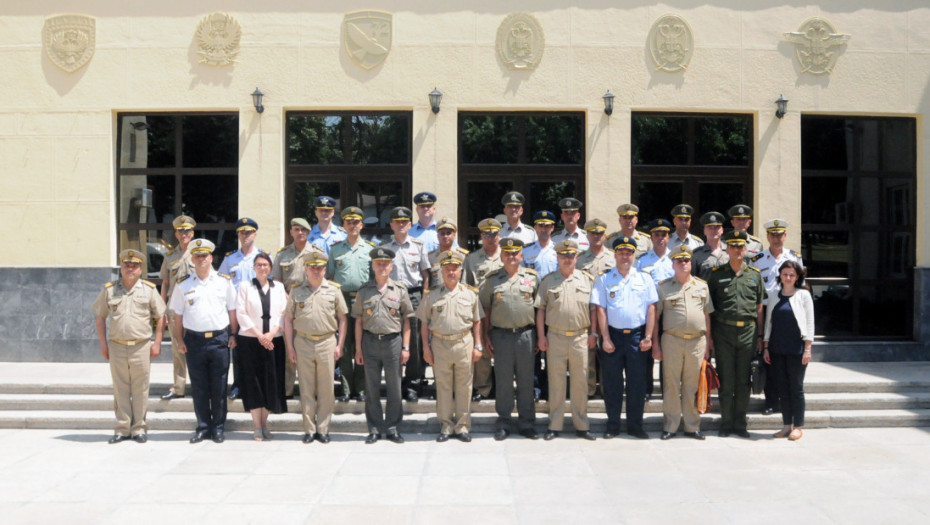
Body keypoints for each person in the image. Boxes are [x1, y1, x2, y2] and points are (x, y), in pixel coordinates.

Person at [92, 249, 166, 444]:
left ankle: (139, 428)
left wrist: (157, 342)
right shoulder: (109, 290)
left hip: (141, 346)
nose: (130, 268)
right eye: (126, 265)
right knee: (120, 388)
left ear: (141, 269)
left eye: (134, 266)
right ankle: (123, 428)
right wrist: (102, 344)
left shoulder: (149, 290)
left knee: (140, 388)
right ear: (121, 268)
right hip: (116, 346)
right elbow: (100, 318)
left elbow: (161, 318)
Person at [169, 239, 238, 444]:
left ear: (211, 258)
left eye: (205, 255)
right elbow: (178, 315)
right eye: (197, 255)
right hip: (194, 341)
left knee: (219, 386)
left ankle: (218, 428)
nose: (201, 259)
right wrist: (179, 340)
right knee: (198, 387)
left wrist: (233, 335)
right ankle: (203, 427)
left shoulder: (224, 281)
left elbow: (232, 310)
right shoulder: (183, 284)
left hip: (219, 340)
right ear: (192, 258)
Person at [592, 236, 658, 439]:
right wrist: (605, 338)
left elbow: (651, 308)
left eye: (628, 252)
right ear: (615, 254)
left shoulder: (644, 279)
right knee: (612, 384)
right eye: (621, 252)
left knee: (636, 384)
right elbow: (600, 309)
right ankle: (612, 425)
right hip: (613, 336)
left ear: (633, 255)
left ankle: (635, 425)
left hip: (637, 337)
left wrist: (648, 336)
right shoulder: (604, 278)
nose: (624, 256)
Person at [418, 249, 483, 442]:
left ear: (460, 270)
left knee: (464, 386)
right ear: (441, 271)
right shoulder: (431, 296)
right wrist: (426, 347)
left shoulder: (470, 294)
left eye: (455, 268)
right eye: (447, 268)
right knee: (444, 386)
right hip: (440, 344)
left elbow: (477, 320)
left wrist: (478, 344)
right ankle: (446, 425)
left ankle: (462, 426)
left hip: (464, 342)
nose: (451, 272)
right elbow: (424, 324)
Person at [284, 252, 348, 444]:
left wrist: (340, 344)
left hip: (327, 342)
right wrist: (290, 347)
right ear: (305, 269)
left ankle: (323, 428)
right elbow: (288, 320)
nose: (315, 271)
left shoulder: (334, 290)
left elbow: (343, 318)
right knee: (306, 387)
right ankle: (309, 429)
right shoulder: (296, 290)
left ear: (324, 269)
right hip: (302, 342)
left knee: (327, 387)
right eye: (312, 267)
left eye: (319, 267)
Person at [479, 238, 540, 440]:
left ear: (521, 255)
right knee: (504, 380)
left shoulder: (532, 277)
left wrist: (540, 336)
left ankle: (526, 422)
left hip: (526, 335)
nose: (512, 256)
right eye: (507, 253)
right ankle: (503, 421)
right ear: (502, 256)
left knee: (526, 380)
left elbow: (540, 308)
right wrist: (486, 335)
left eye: (515, 253)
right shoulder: (492, 279)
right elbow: (485, 309)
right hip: (501, 335)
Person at [706, 230, 765, 438]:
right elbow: (709, 309)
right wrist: (710, 338)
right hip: (723, 332)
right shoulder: (716, 274)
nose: (737, 250)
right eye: (733, 246)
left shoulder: (754, 276)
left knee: (743, 381)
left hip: (748, 333)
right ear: (727, 249)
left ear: (746, 249)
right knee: (726, 380)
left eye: (741, 246)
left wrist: (759, 337)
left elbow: (759, 307)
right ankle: (726, 422)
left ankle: (740, 424)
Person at [536, 240, 597, 441]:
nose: (567, 259)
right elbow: (541, 310)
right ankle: (555, 424)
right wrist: (542, 336)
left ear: (576, 257)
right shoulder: (548, 281)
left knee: (580, 382)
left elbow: (593, 309)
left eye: (571, 255)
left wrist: (593, 333)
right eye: (563, 256)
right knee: (556, 382)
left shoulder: (586, 280)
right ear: (558, 258)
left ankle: (582, 425)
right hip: (555, 337)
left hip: (580, 336)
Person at [353, 247, 414, 444]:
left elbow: (406, 321)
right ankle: (374, 428)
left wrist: (406, 347)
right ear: (372, 266)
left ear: (391, 266)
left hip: (393, 343)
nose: (382, 266)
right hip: (370, 343)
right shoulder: (364, 291)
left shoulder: (400, 290)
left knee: (395, 388)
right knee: (371, 389)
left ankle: (393, 428)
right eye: (378, 263)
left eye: (385, 263)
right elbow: (359, 322)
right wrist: (358, 349)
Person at [652, 245, 713, 440]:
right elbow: (656, 316)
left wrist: (708, 342)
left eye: (686, 260)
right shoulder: (663, 286)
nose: (683, 263)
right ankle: (670, 426)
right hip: (672, 340)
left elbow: (707, 315)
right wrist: (655, 343)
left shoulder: (702, 286)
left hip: (697, 341)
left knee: (691, 385)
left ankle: (692, 426)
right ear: (673, 264)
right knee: (671, 385)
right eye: (679, 260)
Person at [751, 218, 805, 415]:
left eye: (779, 234)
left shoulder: (794, 258)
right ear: (767, 236)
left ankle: (787, 400)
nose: (776, 238)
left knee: (788, 357)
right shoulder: (758, 259)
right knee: (769, 358)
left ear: (785, 236)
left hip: (789, 309)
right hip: (765, 310)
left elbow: (801, 285)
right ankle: (771, 401)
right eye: (772, 234)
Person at [235, 252, 288, 441]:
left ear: (271, 267)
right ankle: (257, 426)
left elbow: (284, 312)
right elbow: (241, 312)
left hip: (274, 340)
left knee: (270, 382)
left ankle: (265, 424)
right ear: (254, 267)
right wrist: (259, 335)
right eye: (259, 265)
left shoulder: (279, 287)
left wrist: (272, 334)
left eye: (265, 265)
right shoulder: (245, 287)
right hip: (250, 341)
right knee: (253, 383)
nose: (262, 268)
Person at [273, 217, 326, 398]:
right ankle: (287, 391)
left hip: (311, 306)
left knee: (311, 350)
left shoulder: (316, 253)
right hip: (288, 307)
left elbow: (322, 279)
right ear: (291, 232)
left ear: (308, 233)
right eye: (296, 229)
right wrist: (289, 299)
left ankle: (311, 391)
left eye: (304, 230)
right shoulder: (282, 254)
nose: (300, 233)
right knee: (290, 350)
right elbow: (277, 282)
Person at [326, 207, 374, 403]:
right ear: (343, 226)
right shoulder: (336, 249)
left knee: (362, 344)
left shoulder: (370, 249)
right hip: (342, 299)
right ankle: (346, 388)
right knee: (344, 345)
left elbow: (374, 276)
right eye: (349, 222)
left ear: (361, 225)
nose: (353, 225)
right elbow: (329, 276)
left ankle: (361, 389)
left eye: (356, 222)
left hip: (363, 299)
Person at [383, 206, 431, 402]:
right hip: (391, 295)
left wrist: (425, 297)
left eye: (405, 222)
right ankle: (394, 382)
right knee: (392, 338)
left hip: (413, 295)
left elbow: (426, 274)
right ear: (391, 225)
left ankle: (413, 383)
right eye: (397, 222)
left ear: (410, 225)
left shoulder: (418, 246)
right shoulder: (386, 248)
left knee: (415, 341)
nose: (401, 225)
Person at [763, 260, 814, 441]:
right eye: (785, 274)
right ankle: (786, 426)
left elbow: (809, 322)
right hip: (777, 348)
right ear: (780, 276)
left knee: (796, 387)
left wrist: (808, 348)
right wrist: (766, 346)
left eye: (792, 275)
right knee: (782, 388)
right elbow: (769, 322)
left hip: (797, 349)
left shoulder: (804, 296)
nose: (788, 278)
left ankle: (798, 426)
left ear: (797, 277)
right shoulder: (774, 295)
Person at [219, 217, 265, 401]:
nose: (245, 235)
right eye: (242, 232)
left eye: (248, 232)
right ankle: (238, 385)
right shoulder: (230, 259)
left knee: (259, 349)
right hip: (236, 312)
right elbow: (222, 281)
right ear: (238, 235)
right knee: (237, 350)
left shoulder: (262, 257)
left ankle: (257, 384)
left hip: (258, 310)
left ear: (255, 234)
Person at [464, 217, 504, 401]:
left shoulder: (509, 255)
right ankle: (483, 389)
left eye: (494, 234)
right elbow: (466, 287)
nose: (490, 237)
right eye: (487, 234)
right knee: (482, 354)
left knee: (505, 353)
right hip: (480, 313)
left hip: (504, 312)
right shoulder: (472, 259)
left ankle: (505, 388)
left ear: (499, 235)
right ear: (481, 236)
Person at [635, 218, 675, 400]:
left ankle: (669, 389)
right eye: (656, 234)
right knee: (646, 352)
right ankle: (646, 389)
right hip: (647, 312)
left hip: (670, 312)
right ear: (651, 237)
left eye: (663, 234)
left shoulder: (675, 259)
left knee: (669, 352)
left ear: (669, 237)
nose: (660, 238)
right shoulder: (642, 261)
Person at [577, 218, 615, 398]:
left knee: (609, 353)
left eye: (599, 233)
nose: (596, 236)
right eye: (593, 233)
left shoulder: (614, 257)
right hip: (586, 312)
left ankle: (608, 388)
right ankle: (590, 389)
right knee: (589, 353)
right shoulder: (579, 259)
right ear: (587, 235)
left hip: (610, 313)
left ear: (605, 235)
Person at [159, 215, 196, 401]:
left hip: (195, 309)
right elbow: (165, 284)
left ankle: (198, 386)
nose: (184, 234)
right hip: (174, 310)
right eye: (180, 231)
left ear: (192, 233)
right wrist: (162, 309)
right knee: (177, 349)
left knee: (197, 348)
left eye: (187, 231)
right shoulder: (170, 256)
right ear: (175, 233)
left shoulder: (199, 254)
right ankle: (178, 386)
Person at [427, 217, 468, 290]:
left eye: (448, 233)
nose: (445, 236)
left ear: (454, 236)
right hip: (436, 298)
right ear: (437, 236)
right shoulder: (430, 257)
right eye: (442, 233)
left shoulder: (463, 256)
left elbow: (465, 282)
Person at [691, 211, 729, 280]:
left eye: (717, 227)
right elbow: (693, 279)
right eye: (709, 227)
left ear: (722, 230)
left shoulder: (730, 250)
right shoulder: (696, 255)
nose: (713, 230)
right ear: (704, 231)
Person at [521, 210, 559, 277]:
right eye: (541, 226)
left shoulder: (558, 250)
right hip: (533, 287)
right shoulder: (525, 251)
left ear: (552, 228)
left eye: (547, 226)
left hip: (552, 287)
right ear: (535, 227)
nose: (543, 229)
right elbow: (521, 273)